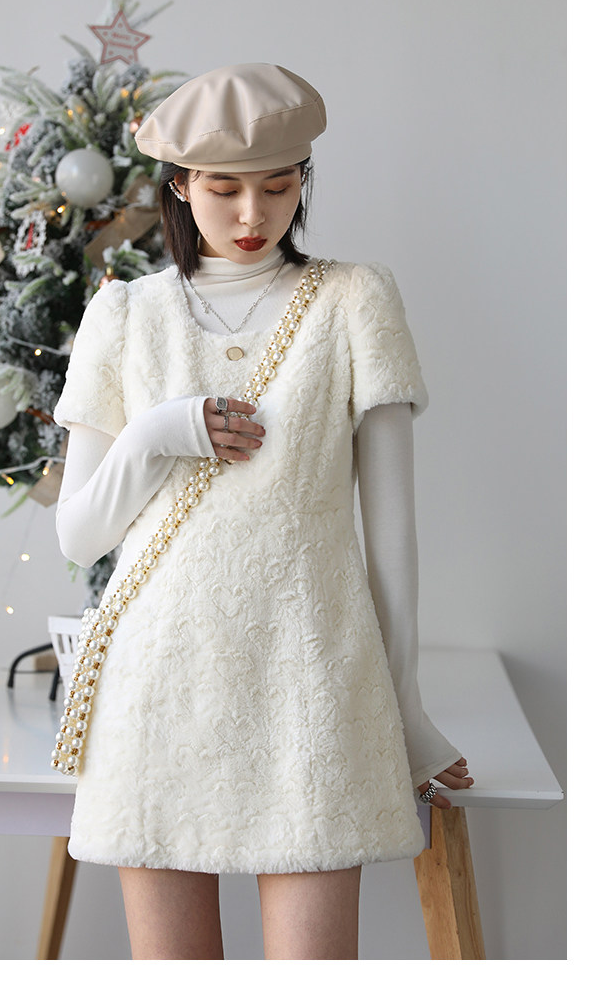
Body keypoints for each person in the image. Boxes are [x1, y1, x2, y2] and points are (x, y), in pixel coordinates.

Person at [52, 63, 473, 960]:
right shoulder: (124, 315)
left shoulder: (355, 298)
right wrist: (158, 433)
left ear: (302, 180)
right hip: (156, 684)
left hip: (310, 680)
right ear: (179, 186)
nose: (254, 214)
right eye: (224, 189)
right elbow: (79, 535)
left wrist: (406, 713)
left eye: (280, 187)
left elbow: (391, 540)